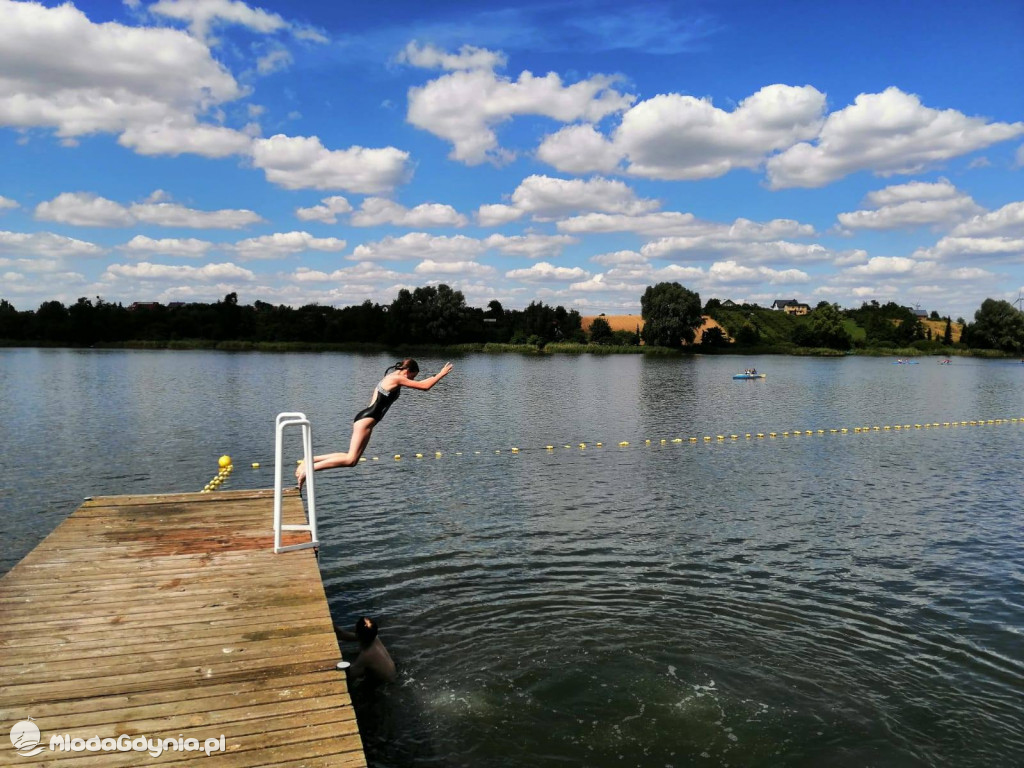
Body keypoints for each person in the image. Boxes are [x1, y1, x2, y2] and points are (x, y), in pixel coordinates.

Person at [296, 358, 454, 488]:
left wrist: (435, 375)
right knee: (350, 460)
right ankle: (308, 469)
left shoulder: (391, 377)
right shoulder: (397, 378)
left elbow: (422, 382)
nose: (412, 380)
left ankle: (309, 460)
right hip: (366, 420)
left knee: (351, 459)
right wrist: (441, 374)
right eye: (412, 376)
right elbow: (425, 386)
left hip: (365, 419)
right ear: (408, 371)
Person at [335, 616, 397, 683]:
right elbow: (344, 635)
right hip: (392, 676)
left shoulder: (366, 655)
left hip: (384, 686)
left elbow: (349, 677)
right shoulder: (373, 637)